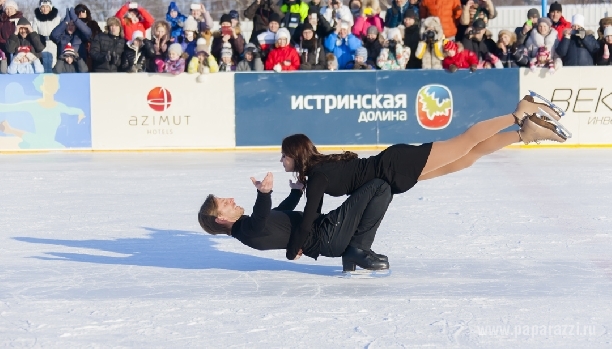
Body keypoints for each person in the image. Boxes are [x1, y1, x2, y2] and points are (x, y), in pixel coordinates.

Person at [278, 95, 571, 260]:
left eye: (284, 156)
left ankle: (520, 111)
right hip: (394, 172)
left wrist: (293, 251)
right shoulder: (317, 173)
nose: (282, 161)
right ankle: (524, 133)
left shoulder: (317, 176)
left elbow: (308, 219)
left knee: (463, 142)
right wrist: (299, 189)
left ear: (297, 156)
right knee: (465, 158)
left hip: (396, 165)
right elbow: (312, 213)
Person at [198, 173, 391, 271]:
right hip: (328, 234)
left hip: (328, 232)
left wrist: (296, 192)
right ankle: (357, 250)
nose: (230, 199)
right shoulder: (248, 230)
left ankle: (355, 253)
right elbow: (261, 216)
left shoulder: (246, 228)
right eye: (224, 203)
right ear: (221, 219)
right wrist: (263, 193)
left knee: (378, 190)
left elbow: (279, 214)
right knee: (379, 187)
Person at [32, 0, 61, 72]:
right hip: (42, 44)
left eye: (47, 7)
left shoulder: (57, 19)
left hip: (53, 43)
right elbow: (34, 33)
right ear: (40, 8)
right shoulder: (36, 19)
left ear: (50, 7)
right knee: (44, 62)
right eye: (43, 7)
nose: (45, 9)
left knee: (53, 62)